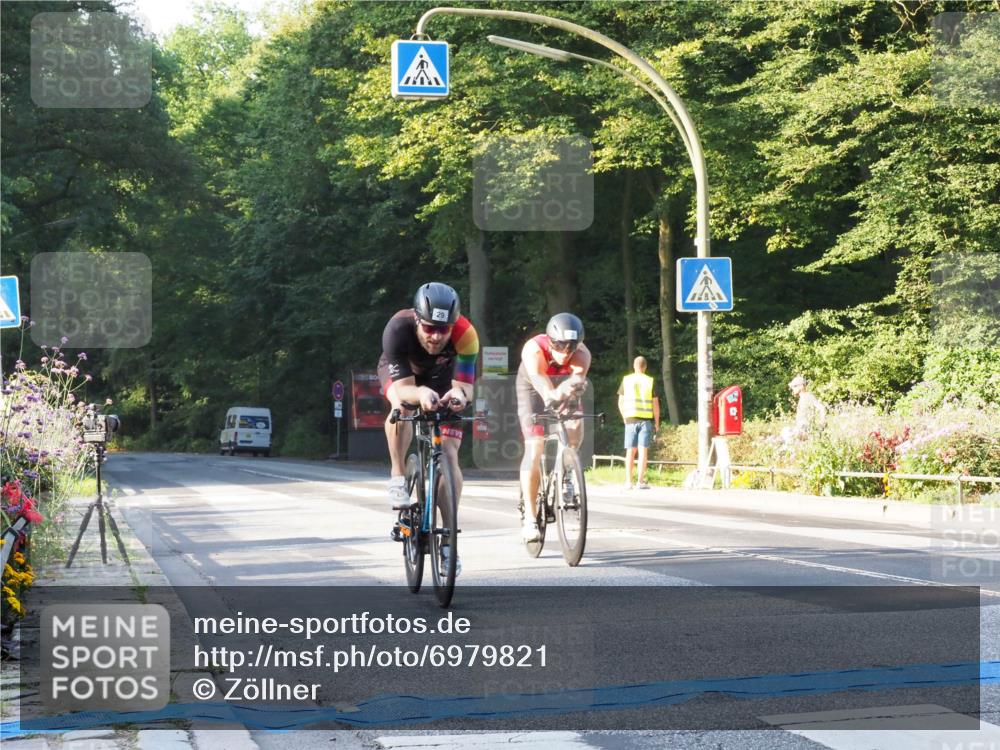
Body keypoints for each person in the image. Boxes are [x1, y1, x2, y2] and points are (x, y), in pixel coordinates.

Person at [378, 282, 479, 573]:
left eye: (443, 330)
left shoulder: (466, 336)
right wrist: (420, 395)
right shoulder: (397, 329)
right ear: (418, 320)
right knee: (401, 407)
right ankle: (398, 474)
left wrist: (459, 395)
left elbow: (465, 387)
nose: (436, 336)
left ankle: (448, 542)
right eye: (430, 328)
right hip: (404, 376)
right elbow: (406, 389)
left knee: (449, 456)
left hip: (443, 377)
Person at [515, 312, 592, 542]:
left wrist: (571, 389)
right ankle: (530, 518)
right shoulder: (533, 349)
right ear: (550, 341)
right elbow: (542, 385)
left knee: (576, 426)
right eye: (560, 346)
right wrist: (553, 395)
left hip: (563, 385)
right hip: (532, 388)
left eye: (571, 347)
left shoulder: (583, 354)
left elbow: (577, 381)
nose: (565, 353)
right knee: (535, 446)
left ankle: (567, 472)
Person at [617, 356, 660, 489]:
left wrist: (624, 417)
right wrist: (657, 423)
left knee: (630, 451)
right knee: (643, 451)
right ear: (645, 367)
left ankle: (628, 482)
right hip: (645, 420)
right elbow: (655, 404)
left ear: (634, 366)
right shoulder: (650, 381)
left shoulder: (626, 380)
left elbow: (620, 401)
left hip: (630, 419)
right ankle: (640, 481)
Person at [783, 374, 827, 442]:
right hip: (801, 428)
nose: (792, 389)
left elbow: (821, 408)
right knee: (785, 432)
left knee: (786, 433)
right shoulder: (802, 398)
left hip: (806, 429)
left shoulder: (808, 396)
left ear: (801, 386)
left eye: (794, 386)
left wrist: (822, 422)